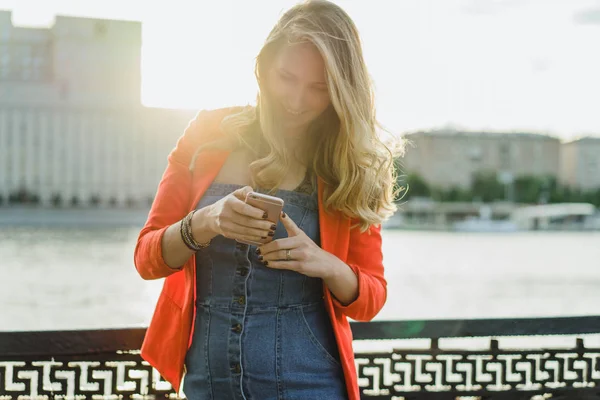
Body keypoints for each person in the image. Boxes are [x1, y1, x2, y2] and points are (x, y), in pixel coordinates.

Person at [134, 1, 402, 399]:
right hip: (208, 383)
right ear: (263, 67)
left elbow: (371, 299)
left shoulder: (348, 165)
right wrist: (205, 222)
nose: (296, 100)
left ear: (343, 90)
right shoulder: (207, 133)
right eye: (287, 77)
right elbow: (146, 259)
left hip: (310, 385)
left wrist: (326, 264)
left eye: (319, 87)